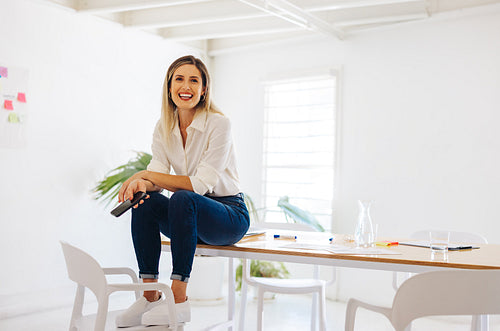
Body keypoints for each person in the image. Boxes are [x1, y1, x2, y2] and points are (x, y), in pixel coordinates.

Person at [115, 55, 250, 327]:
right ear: (169, 87)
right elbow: (157, 171)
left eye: (194, 80)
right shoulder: (164, 126)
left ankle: (178, 302)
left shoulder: (219, 124)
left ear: (203, 90)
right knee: (147, 201)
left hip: (228, 216)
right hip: (187, 215)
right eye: (179, 79)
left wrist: (146, 174)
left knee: (184, 196)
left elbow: (200, 185)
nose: (185, 86)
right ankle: (150, 296)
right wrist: (141, 183)